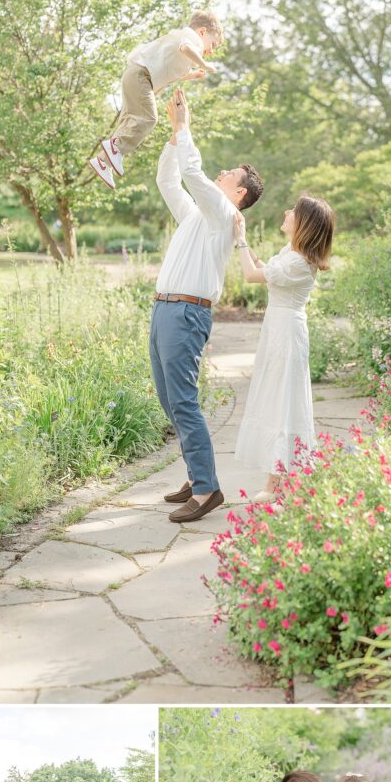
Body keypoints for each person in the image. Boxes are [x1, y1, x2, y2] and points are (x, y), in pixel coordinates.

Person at [151, 87, 264, 523]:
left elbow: (194, 173)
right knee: (169, 399)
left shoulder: (222, 213)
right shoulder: (199, 215)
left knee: (183, 401)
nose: (222, 172)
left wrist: (185, 127)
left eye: (230, 173)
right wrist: (171, 137)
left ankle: (207, 488)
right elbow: (169, 180)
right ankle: (196, 474)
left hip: (185, 313)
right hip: (164, 310)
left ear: (238, 194)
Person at [233, 195, 335, 501]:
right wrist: (242, 238)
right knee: (278, 402)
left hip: (287, 335)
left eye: (293, 211)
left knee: (286, 405)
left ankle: (292, 487)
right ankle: (273, 485)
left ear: (303, 223)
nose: (286, 212)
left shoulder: (298, 263)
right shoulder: (291, 254)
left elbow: (252, 276)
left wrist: (239, 241)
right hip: (278, 331)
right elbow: (264, 270)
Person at [89, 10, 222, 189]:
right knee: (149, 118)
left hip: (134, 75)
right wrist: (204, 64)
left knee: (129, 121)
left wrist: (191, 75)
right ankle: (116, 150)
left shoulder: (187, 47)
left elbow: (170, 70)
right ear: (203, 32)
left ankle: (103, 162)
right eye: (213, 44)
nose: (211, 51)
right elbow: (185, 48)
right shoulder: (192, 39)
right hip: (141, 76)